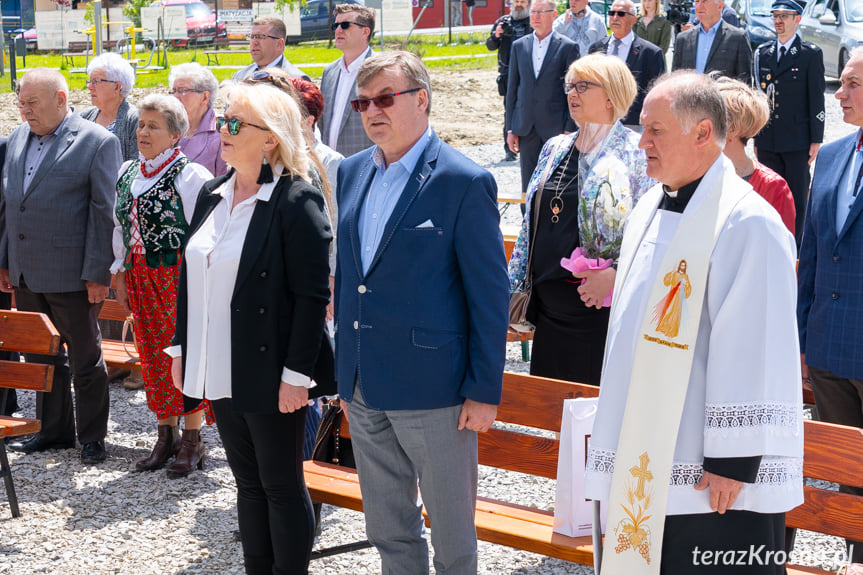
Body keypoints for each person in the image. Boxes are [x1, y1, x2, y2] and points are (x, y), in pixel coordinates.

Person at [585, 71, 803, 574]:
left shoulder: (748, 223)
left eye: (655, 130)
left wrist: (733, 459)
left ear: (703, 133)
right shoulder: (648, 206)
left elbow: (756, 344)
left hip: (713, 478)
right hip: (648, 456)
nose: (641, 143)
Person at [334, 51, 509, 574]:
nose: (372, 111)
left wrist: (484, 389)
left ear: (422, 100)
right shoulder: (350, 172)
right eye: (364, 102)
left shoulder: (463, 180)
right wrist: (346, 375)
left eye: (386, 98)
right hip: (364, 386)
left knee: (453, 540)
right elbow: (351, 279)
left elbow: (489, 295)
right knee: (389, 531)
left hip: (436, 392)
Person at [169, 81, 335, 574]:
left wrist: (296, 375)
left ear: (269, 138)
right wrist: (181, 347)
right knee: (247, 484)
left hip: (271, 368)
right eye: (223, 119)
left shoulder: (295, 199)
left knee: (282, 485)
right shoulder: (212, 192)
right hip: (219, 363)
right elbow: (189, 274)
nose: (223, 128)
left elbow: (312, 298)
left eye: (235, 122)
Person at [508, 54, 653, 386]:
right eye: (569, 85)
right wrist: (514, 285)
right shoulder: (555, 147)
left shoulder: (635, 153)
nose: (572, 93)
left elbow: (651, 230)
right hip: (548, 308)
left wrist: (615, 275)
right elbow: (530, 224)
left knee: (595, 418)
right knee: (552, 417)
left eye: (583, 86)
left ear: (611, 95)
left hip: (598, 310)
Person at [0, 68, 121, 464]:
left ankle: (92, 438)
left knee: (85, 359)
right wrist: (5, 262)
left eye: (33, 102)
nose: (25, 110)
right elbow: (10, 207)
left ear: (61, 99)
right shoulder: (17, 138)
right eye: (21, 102)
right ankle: (53, 433)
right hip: (26, 272)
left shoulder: (97, 142)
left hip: (74, 275)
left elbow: (103, 211)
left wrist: (97, 272)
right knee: (41, 357)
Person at [111, 94, 215, 477]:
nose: (143, 132)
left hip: (177, 277)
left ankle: (193, 439)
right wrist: (119, 271)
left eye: (153, 126)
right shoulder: (128, 172)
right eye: (141, 124)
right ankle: (165, 434)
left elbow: (205, 234)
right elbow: (120, 228)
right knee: (152, 355)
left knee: (182, 355)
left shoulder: (191, 176)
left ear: (175, 135)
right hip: (140, 275)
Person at [797, 46, 863, 566]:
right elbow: (813, 254)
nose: (838, 94)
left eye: (851, 84)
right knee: (846, 472)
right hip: (828, 349)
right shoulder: (835, 157)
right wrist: (802, 336)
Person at [754, 0, 825, 246]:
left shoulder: (809, 54)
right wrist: (756, 136)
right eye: (775, 15)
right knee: (766, 195)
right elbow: (759, 99)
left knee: (796, 199)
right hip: (768, 140)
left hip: (797, 141)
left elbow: (817, 98)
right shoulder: (763, 53)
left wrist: (816, 138)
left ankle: (795, 249)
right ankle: (767, 243)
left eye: (785, 15)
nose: (778, 20)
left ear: (798, 19)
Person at [506, 0, 581, 198]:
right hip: (526, 127)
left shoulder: (567, 47)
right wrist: (510, 128)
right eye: (533, 12)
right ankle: (527, 225)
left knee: (555, 185)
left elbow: (573, 92)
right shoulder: (519, 46)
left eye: (540, 12)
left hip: (556, 129)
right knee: (528, 185)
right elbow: (512, 90)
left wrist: (569, 127)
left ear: (554, 14)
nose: (535, 16)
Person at [715, 75, 796, 234]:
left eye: (710, 120)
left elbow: (781, 250)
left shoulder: (773, 187)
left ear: (732, 129)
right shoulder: (694, 175)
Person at [589, 0, 666, 128]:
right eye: (612, 13)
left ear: (634, 20)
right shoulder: (595, 48)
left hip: (633, 124)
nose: (615, 17)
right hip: (599, 121)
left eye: (621, 14)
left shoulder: (651, 53)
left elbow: (656, 94)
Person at [319, 3, 375, 158]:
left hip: (367, 168)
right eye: (335, 25)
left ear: (365, 32)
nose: (338, 30)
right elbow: (322, 123)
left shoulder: (380, 70)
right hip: (331, 168)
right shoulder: (329, 71)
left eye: (345, 25)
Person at [486, 0, 532, 162]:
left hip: (528, 74)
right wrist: (496, 34)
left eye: (523, 2)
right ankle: (509, 150)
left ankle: (528, 144)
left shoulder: (532, 21)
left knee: (529, 108)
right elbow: (490, 45)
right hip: (508, 73)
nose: (519, 4)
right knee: (510, 110)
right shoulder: (502, 22)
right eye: (517, 1)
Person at [169, 63, 229, 178]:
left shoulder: (222, 130)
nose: (175, 97)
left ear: (205, 97)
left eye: (182, 90)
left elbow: (225, 181)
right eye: (174, 91)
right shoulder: (169, 127)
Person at [672, 0, 752, 83]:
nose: (699, 6)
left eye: (704, 1)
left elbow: (745, 86)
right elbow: (673, 82)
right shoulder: (683, 39)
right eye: (697, 1)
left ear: (720, 6)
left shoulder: (738, 38)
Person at [80, 52, 139, 161]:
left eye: (95, 82)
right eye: (90, 81)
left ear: (117, 87)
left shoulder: (135, 120)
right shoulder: (84, 117)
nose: (89, 87)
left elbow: (135, 165)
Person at [232, 16, 310, 82]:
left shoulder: (296, 79)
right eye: (252, 37)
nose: (254, 42)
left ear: (279, 44)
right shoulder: (240, 77)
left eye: (260, 36)